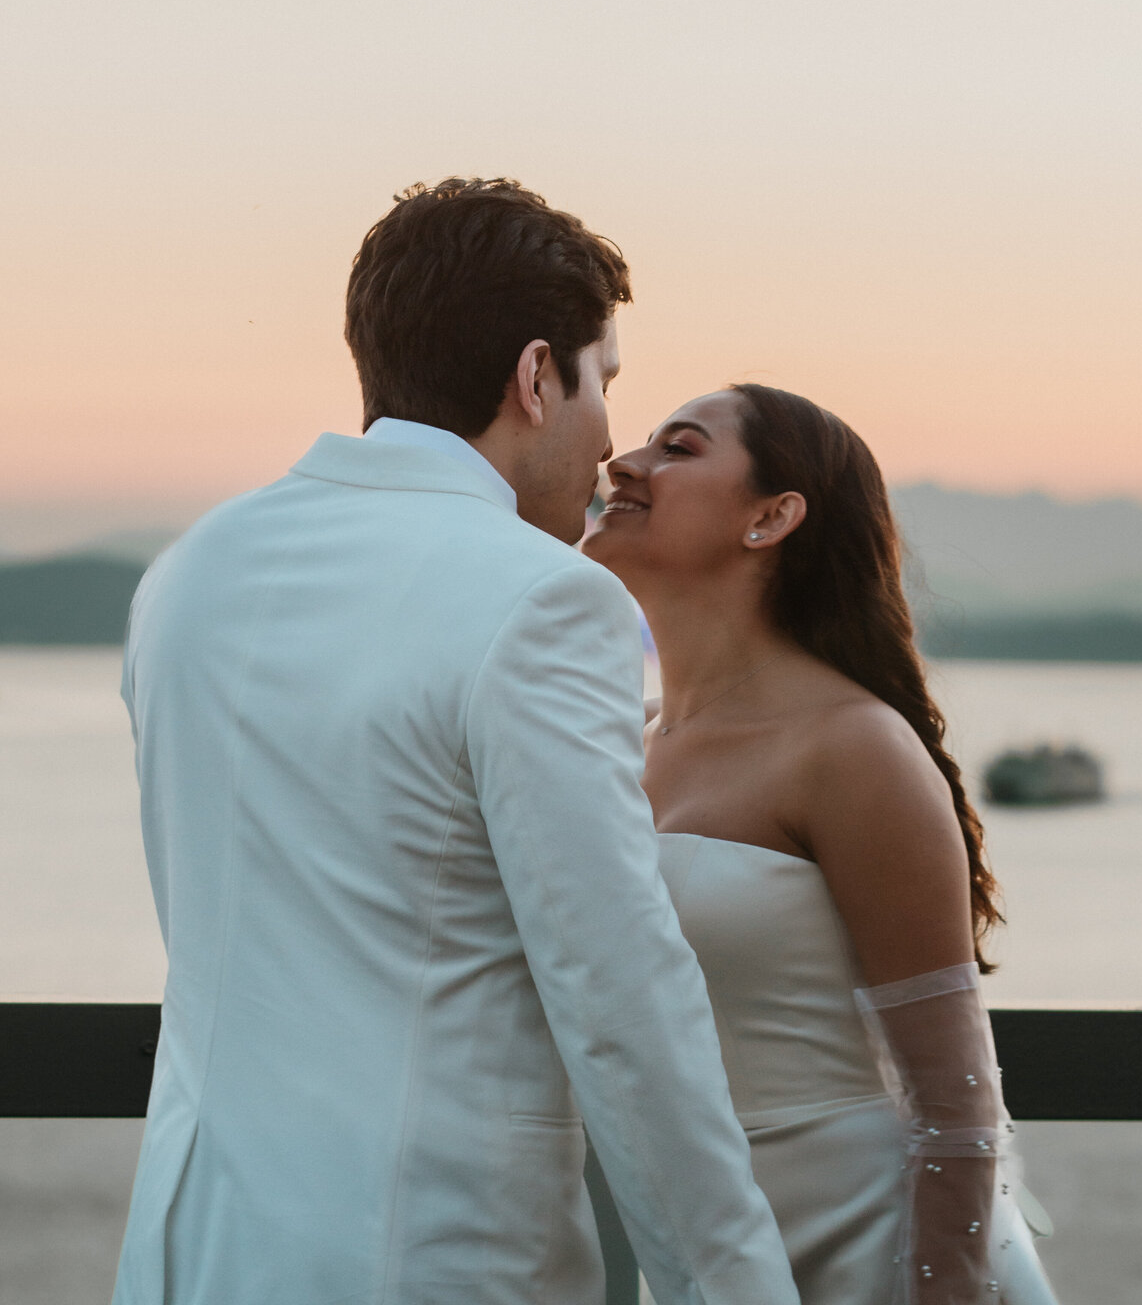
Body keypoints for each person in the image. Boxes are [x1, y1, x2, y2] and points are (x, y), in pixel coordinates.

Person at [112, 181, 798, 1305]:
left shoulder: (190, 573)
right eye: (603, 382)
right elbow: (623, 1003)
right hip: (427, 1259)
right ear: (536, 377)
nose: (611, 440)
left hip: (187, 1256)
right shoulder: (544, 603)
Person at [584, 384, 1059, 1305]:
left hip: (876, 1249)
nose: (624, 463)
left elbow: (957, 1107)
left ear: (771, 517)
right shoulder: (618, 745)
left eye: (677, 448)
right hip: (708, 1250)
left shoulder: (854, 749)